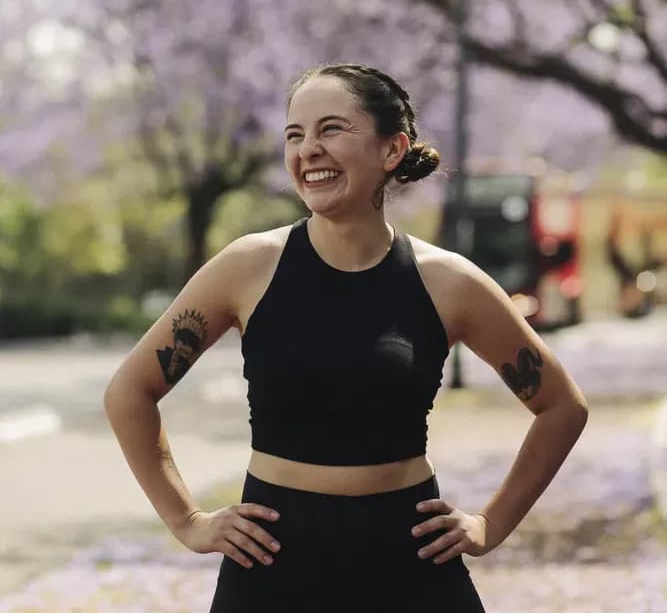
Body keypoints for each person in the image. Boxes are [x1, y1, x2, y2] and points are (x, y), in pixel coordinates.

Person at [104, 63, 589, 612]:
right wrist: (187, 520)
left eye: (331, 129)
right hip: (271, 567)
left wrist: (489, 524)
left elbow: (560, 407)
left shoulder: (449, 282)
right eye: (295, 134)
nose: (308, 149)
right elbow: (129, 392)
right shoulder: (247, 267)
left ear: (391, 149)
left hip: (412, 567)